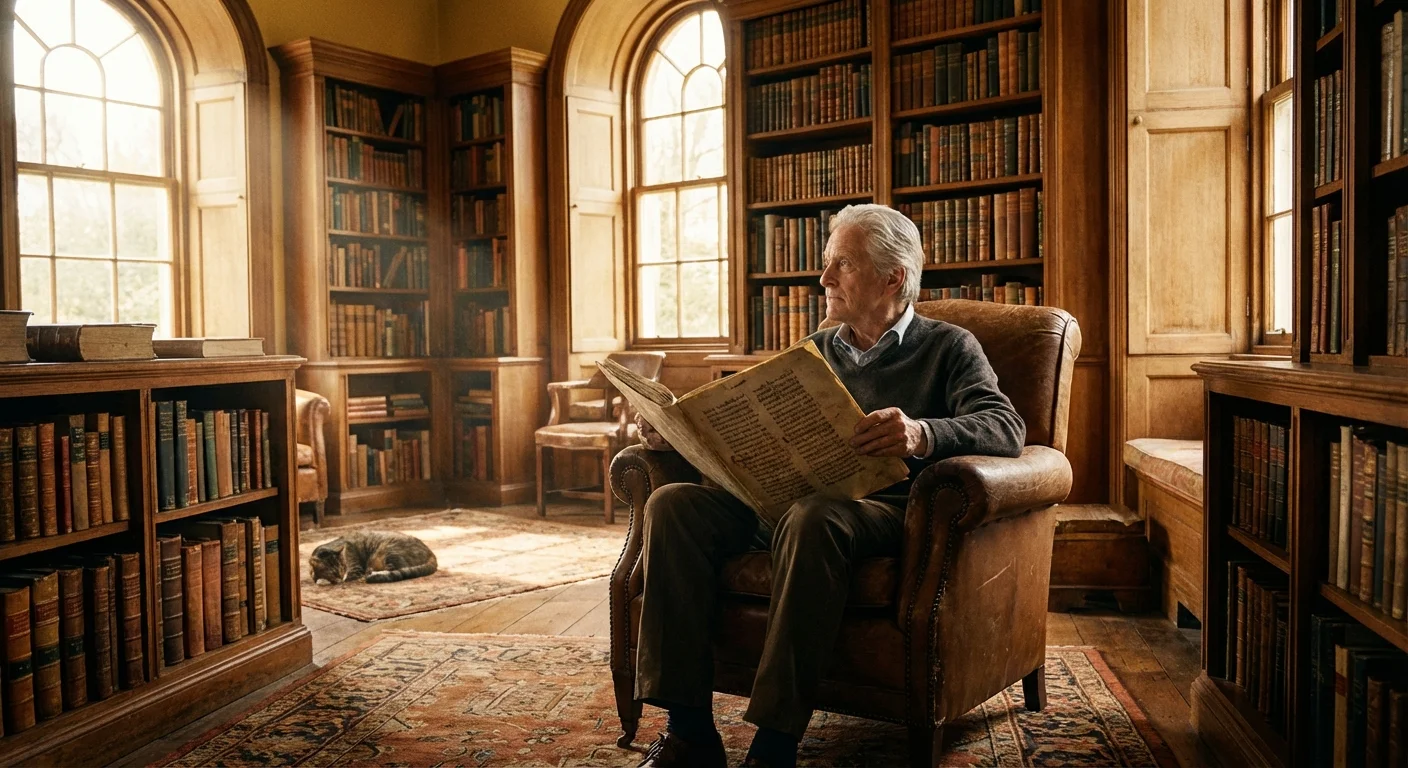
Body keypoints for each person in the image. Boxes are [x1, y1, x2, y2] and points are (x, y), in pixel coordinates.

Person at [631, 204, 1026, 768]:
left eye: (841, 264)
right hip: (782, 499)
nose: (823, 280)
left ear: (893, 276)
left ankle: (774, 745)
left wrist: (920, 434)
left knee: (814, 516)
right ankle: (690, 732)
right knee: (673, 505)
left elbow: (1007, 427)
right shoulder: (817, 347)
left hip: (880, 510)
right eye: (826, 264)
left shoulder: (949, 347)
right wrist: (678, 435)